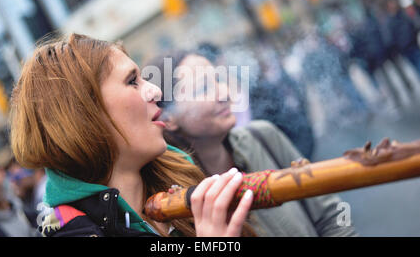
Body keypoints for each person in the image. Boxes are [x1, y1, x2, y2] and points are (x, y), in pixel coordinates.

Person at [9, 33, 255, 237]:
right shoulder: (71, 231)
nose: (155, 90)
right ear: (84, 115)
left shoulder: (178, 169)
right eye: (132, 82)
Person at [145, 50, 359, 237]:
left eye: (218, 80)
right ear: (169, 118)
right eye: (203, 89)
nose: (225, 94)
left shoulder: (263, 136)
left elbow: (331, 213)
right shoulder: (173, 200)